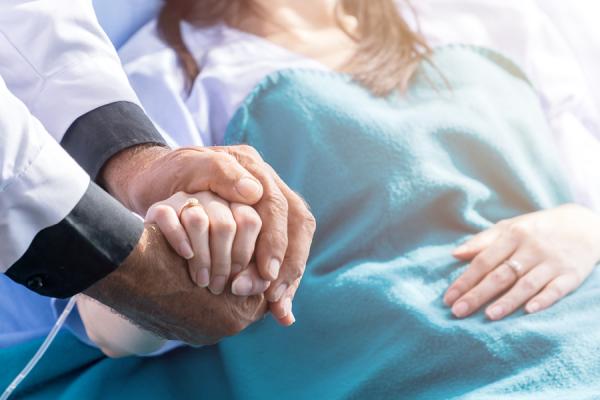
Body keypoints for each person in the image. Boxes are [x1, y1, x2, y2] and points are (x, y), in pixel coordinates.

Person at [44, 0, 600, 398]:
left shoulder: (495, 16)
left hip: (579, 323)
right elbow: (111, 323)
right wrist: (178, 244)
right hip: (396, 367)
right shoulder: (159, 78)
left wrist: (585, 228)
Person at [0, 0, 316, 348]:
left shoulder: (382, 32)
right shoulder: (179, 60)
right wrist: (161, 253)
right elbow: (109, 322)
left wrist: (139, 163)